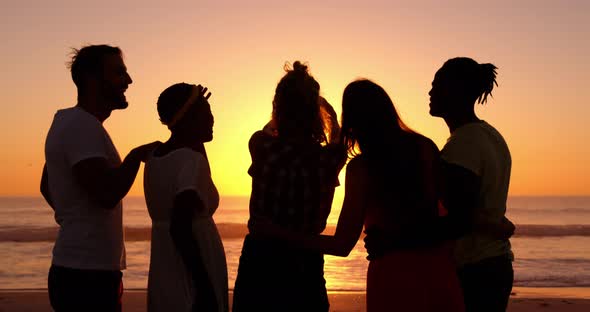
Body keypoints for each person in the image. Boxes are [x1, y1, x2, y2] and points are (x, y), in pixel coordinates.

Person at [251, 79, 466, 311]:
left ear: (351, 121)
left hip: (393, 276)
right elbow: (455, 215)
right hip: (438, 271)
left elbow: (341, 245)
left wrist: (276, 232)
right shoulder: (425, 147)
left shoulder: (362, 168)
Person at [40, 44, 159, 312]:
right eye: (119, 73)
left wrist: (73, 216)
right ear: (92, 79)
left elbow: (46, 184)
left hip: (83, 271)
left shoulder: (70, 123)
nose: (128, 81)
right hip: (86, 276)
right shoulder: (81, 125)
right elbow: (106, 194)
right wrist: (135, 156)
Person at [232, 62, 346, 312]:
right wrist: (331, 116)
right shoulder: (329, 159)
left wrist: (283, 109)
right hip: (305, 262)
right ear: (314, 113)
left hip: (259, 261)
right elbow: (339, 139)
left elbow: (270, 129)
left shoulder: (261, 145)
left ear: (278, 108)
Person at [429, 57, 514, 312]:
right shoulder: (490, 135)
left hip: (475, 268)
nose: (430, 92)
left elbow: (459, 220)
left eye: (438, 85)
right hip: (495, 262)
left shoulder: (464, 144)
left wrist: (398, 238)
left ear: (458, 90)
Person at [143, 83, 228, 312]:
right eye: (207, 112)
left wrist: (193, 104)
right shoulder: (191, 161)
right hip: (190, 276)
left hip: (164, 267)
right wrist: (202, 287)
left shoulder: (154, 158)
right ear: (189, 117)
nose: (212, 119)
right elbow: (180, 227)